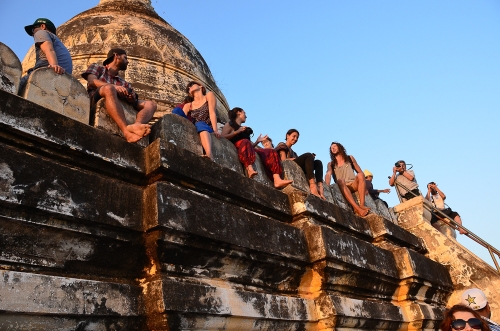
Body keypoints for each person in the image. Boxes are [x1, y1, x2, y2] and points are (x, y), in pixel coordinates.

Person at [82, 48, 156, 143]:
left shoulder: (123, 83)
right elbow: (92, 81)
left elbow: (133, 97)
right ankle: (126, 131)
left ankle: (136, 125)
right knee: (109, 88)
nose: (127, 61)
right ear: (116, 56)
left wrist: (131, 98)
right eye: (125, 58)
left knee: (151, 105)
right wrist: (115, 87)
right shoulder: (98, 68)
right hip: (95, 97)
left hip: (117, 100)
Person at [221, 107, 292, 188]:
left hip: (245, 146)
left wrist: (257, 141)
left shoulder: (244, 129)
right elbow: (222, 137)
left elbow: (249, 147)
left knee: (270, 151)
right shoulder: (230, 124)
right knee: (245, 141)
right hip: (236, 145)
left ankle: (277, 179)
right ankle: (249, 169)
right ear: (239, 112)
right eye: (244, 113)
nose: (246, 116)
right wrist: (237, 132)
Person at [20, 18, 73, 91]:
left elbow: (49, 49)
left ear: (42, 26)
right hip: (64, 80)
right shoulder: (59, 43)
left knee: (14, 85)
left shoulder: (41, 33)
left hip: (46, 71)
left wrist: (54, 65)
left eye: (33, 29)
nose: (33, 34)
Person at [275, 129, 325, 199]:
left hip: (295, 167)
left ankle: (320, 187)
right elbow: (283, 160)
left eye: (297, 138)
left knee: (318, 162)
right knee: (308, 155)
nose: (295, 139)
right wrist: (297, 159)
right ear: (288, 136)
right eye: (294, 136)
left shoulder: (294, 153)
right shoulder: (282, 145)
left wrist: (310, 159)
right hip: (286, 167)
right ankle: (312, 185)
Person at [325, 142, 370, 217]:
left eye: (335, 146)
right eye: (331, 148)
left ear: (339, 147)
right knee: (340, 180)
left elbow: (360, 171)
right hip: (343, 186)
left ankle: (362, 205)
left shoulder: (350, 158)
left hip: (353, 184)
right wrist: (326, 186)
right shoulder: (331, 164)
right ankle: (357, 208)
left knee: (361, 175)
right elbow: (328, 173)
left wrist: (365, 187)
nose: (333, 148)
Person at [182, 81, 221, 159]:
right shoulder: (188, 105)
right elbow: (182, 120)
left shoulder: (208, 96)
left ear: (201, 86)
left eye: (192, 85)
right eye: (188, 88)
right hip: (195, 127)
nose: (190, 87)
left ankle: (209, 154)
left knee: (200, 124)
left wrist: (215, 130)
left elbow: (212, 112)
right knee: (177, 111)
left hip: (207, 126)